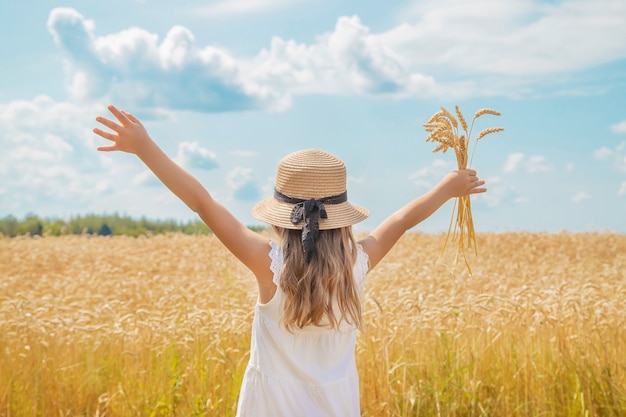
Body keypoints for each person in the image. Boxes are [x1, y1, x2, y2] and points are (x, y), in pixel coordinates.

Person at [93, 104, 486, 417]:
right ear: (340, 216)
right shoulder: (358, 263)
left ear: (282, 217)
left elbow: (202, 203)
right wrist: (447, 188)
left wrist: (145, 148)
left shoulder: (268, 265)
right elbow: (401, 221)